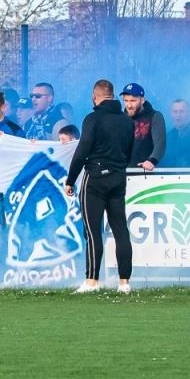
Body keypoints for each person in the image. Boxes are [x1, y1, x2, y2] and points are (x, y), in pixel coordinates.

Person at [63, 80, 135, 294]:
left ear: (95, 97)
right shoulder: (126, 121)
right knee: (120, 229)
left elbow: (83, 148)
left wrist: (70, 179)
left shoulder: (92, 118)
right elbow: (129, 150)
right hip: (118, 177)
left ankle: (92, 280)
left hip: (94, 178)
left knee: (93, 231)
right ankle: (124, 283)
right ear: (112, 96)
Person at [120, 82, 166, 172]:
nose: (129, 105)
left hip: (144, 174)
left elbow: (160, 145)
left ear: (142, 100)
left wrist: (152, 161)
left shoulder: (155, 116)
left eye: (133, 101)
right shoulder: (120, 118)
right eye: (126, 100)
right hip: (121, 174)